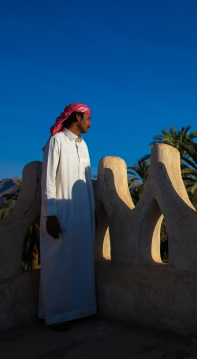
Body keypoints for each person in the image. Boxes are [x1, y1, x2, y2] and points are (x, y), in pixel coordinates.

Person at [39, 103, 96, 331]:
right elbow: (48, 179)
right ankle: (57, 315)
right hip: (60, 212)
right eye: (88, 118)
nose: (90, 123)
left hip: (82, 212)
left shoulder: (84, 146)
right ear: (77, 117)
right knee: (59, 262)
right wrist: (51, 214)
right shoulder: (57, 142)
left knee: (81, 260)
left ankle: (80, 310)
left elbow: (87, 181)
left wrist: (91, 211)